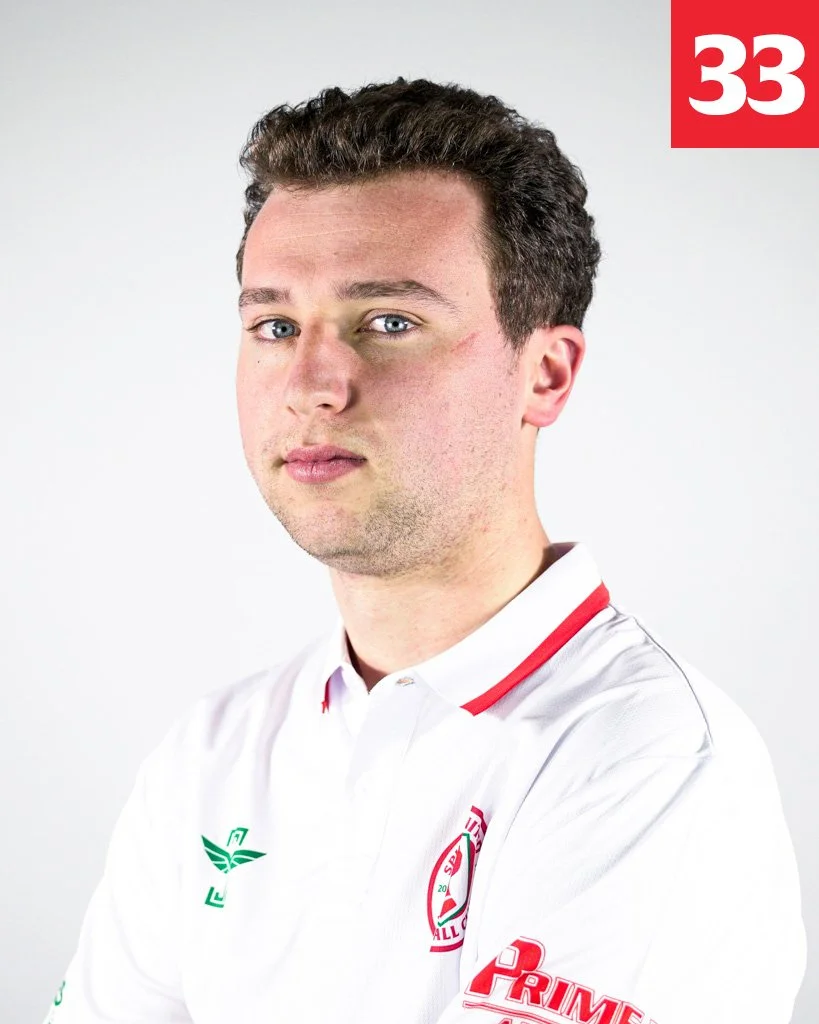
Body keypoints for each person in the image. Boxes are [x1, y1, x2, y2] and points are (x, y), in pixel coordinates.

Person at [44, 77, 806, 1024]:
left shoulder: (643, 756)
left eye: (389, 323)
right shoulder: (213, 751)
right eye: (275, 325)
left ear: (545, 372)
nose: (312, 383)